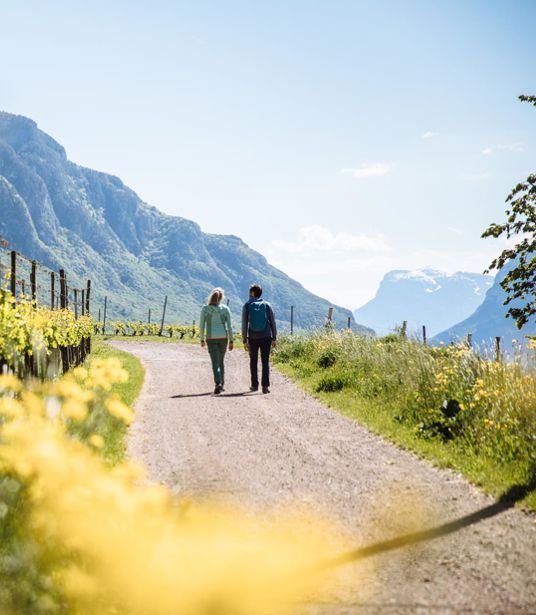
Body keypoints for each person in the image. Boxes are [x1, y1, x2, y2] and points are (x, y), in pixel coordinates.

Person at [241, 284, 277, 394]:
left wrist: (244, 340)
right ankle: (265, 387)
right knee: (265, 361)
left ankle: (254, 385)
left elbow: (244, 324)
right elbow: (272, 322)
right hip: (266, 337)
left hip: (253, 337)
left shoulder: (247, 305)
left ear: (252, 293)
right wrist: (274, 338)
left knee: (253, 361)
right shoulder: (267, 305)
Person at [199, 287, 234, 394]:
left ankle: (218, 383)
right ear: (221, 298)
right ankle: (222, 384)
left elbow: (201, 326)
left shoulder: (205, 309)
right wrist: (231, 340)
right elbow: (230, 326)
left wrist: (201, 339)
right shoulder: (225, 309)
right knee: (221, 361)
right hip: (223, 338)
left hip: (211, 338)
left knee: (215, 362)